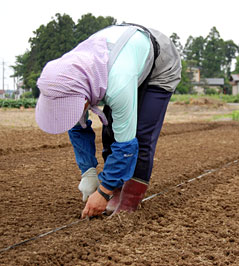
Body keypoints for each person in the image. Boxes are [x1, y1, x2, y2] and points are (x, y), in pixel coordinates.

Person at [35, 23, 181, 219]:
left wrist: (103, 192)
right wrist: (88, 172)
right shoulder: (68, 78)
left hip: (160, 62)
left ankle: (129, 199)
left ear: (85, 98)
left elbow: (126, 145)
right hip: (123, 57)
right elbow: (78, 127)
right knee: (109, 131)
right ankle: (115, 187)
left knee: (140, 136)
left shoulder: (117, 83)